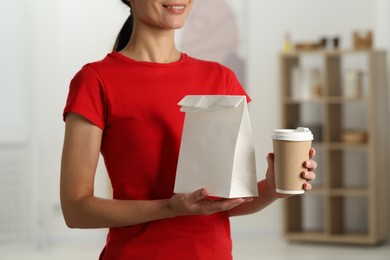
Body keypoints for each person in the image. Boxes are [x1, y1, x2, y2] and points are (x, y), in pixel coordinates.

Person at [60, 0, 317, 259]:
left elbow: (222, 203)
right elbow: (76, 210)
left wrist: (272, 189)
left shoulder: (221, 79)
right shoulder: (96, 81)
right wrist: (170, 208)